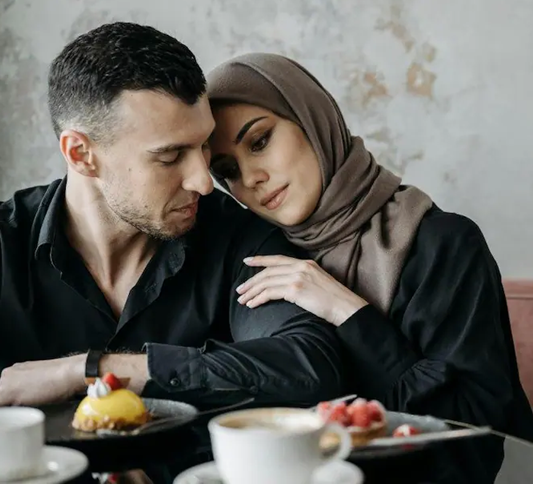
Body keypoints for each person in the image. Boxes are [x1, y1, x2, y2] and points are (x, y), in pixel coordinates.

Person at [0, 24, 345, 412]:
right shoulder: (6, 244)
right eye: (170, 156)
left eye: (204, 146)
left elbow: (307, 366)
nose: (204, 182)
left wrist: (91, 371)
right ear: (81, 154)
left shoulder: (239, 238)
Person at [207, 53, 533, 443]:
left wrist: (346, 311)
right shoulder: (256, 264)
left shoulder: (441, 243)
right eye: (228, 171)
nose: (251, 177)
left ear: (312, 120)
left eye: (260, 141)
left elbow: (469, 422)